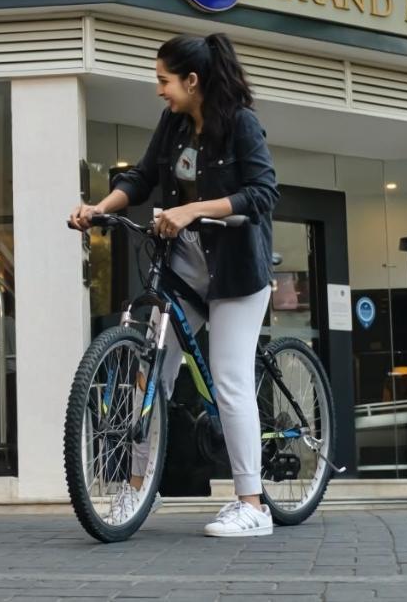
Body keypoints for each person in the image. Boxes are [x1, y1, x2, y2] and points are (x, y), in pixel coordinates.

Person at [69, 33, 279, 538]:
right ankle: (138, 486)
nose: (159, 90)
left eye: (164, 80)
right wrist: (100, 207)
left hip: (236, 276)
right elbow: (141, 178)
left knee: (230, 380)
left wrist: (193, 209)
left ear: (192, 80)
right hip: (184, 272)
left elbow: (263, 192)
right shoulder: (174, 124)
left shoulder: (241, 125)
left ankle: (253, 504)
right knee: (149, 378)